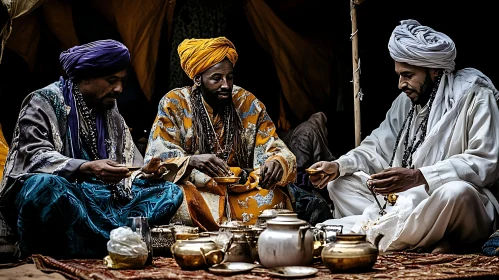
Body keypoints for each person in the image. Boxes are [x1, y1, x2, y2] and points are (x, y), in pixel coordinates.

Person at [309, 19, 499, 253]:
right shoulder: (405, 102)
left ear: (434, 70)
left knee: (456, 192)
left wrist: (420, 177)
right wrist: (339, 165)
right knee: (340, 184)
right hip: (405, 201)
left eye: (408, 75)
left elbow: (485, 163)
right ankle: (423, 239)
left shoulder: (476, 97)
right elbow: (376, 148)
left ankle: (374, 235)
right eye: (399, 75)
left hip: (453, 203)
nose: (401, 84)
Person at [0, 39, 183, 259]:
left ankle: (103, 241)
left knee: (170, 192)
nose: (119, 89)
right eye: (111, 80)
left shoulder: (109, 107)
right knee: (45, 187)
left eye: (122, 81)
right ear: (85, 77)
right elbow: (33, 157)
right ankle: (110, 241)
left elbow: (127, 167)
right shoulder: (43, 101)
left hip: (99, 199)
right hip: (66, 194)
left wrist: (144, 172)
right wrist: (86, 167)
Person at [144, 37, 297, 231]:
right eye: (217, 79)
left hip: (240, 190)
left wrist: (276, 162)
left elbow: (273, 146)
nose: (225, 85)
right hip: (198, 190)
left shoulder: (247, 103)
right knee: (176, 200)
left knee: (273, 198)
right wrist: (191, 161)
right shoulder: (174, 103)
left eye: (230, 77)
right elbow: (157, 159)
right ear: (197, 79)